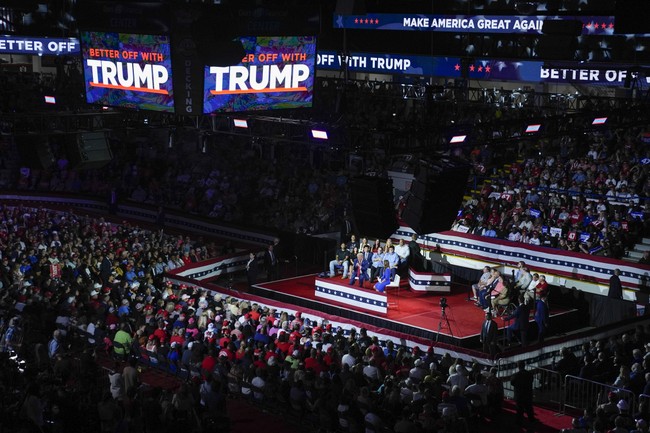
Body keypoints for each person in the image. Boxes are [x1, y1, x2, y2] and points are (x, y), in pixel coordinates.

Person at [511, 360, 536, 425]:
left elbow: (512, 383)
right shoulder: (530, 374)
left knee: (519, 410)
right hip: (528, 394)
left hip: (519, 395)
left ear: (518, 366)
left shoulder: (516, 375)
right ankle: (532, 420)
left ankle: (519, 422)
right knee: (529, 408)